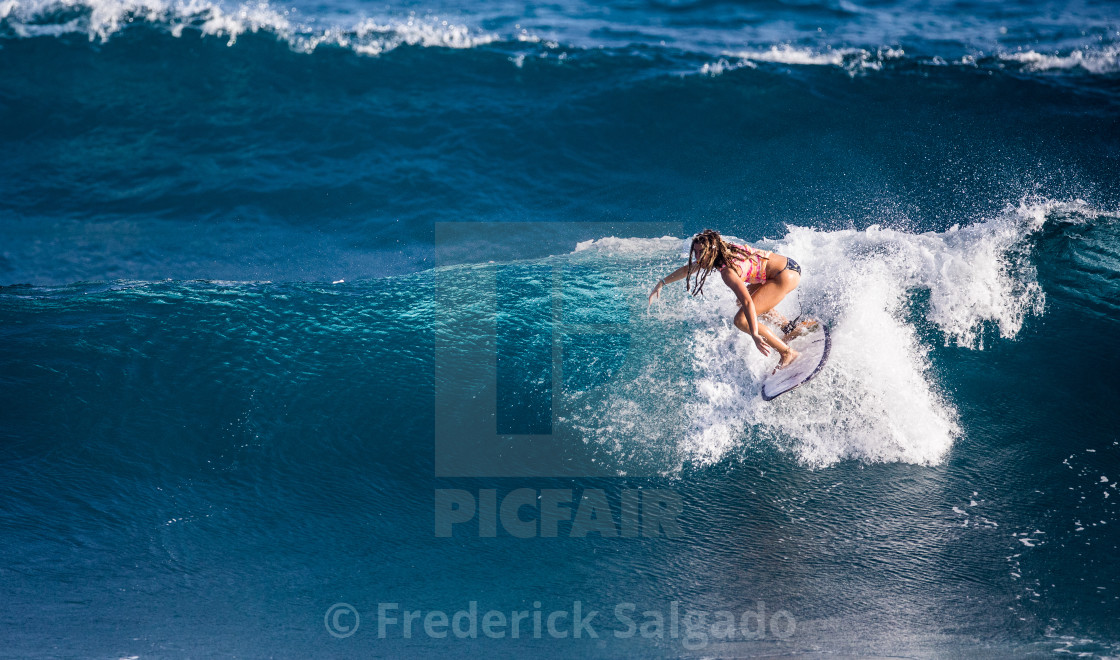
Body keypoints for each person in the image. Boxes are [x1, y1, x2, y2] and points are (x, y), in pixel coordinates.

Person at [648, 229, 806, 370]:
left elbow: (748, 302)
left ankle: (787, 352)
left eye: (701, 252)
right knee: (741, 303)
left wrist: (755, 334)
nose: (697, 257)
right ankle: (790, 329)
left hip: (783, 277)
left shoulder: (727, 272)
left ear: (711, 249)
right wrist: (662, 283)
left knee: (741, 320)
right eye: (695, 252)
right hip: (787, 267)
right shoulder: (722, 249)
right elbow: (689, 269)